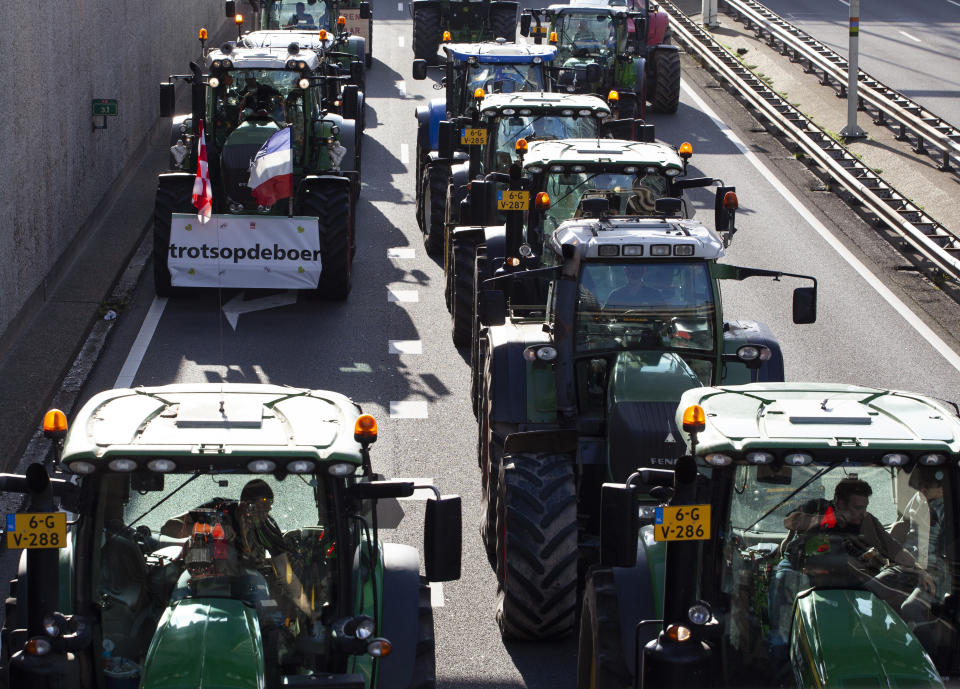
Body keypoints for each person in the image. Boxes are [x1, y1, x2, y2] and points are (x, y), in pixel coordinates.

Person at [766, 477, 933, 657]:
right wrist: (830, 518)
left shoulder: (867, 522)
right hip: (798, 568)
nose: (862, 513)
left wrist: (919, 571)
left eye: (865, 507)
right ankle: (780, 655)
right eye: (857, 507)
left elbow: (895, 550)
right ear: (838, 502)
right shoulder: (818, 506)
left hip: (841, 577)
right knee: (783, 585)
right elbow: (790, 522)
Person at [604, 265, 676, 308]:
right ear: (625, 271)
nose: (634, 273)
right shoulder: (615, 295)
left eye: (637, 270)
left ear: (643, 271)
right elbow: (604, 318)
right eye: (631, 270)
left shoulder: (655, 295)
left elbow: (665, 318)